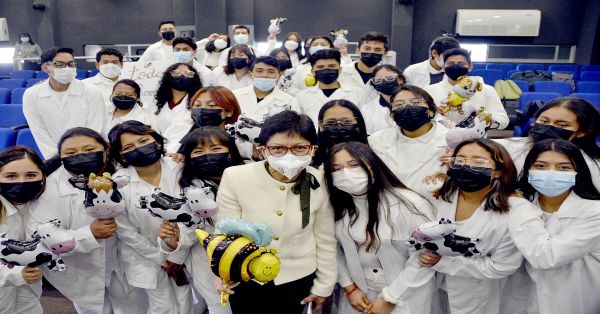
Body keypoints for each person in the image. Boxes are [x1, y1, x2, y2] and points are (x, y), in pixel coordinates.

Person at [215, 110, 337, 313]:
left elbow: (325, 239)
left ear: (313, 150)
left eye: (300, 148)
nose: (289, 155)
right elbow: (225, 233)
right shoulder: (236, 177)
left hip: (298, 278)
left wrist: (324, 286)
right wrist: (223, 273)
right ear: (263, 150)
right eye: (278, 148)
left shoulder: (320, 181)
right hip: (247, 276)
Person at [26, 127, 144, 314]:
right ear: (61, 157)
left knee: (136, 308)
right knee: (94, 309)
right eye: (71, 153)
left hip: (126, 262)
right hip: (82, 267)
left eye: (89, 150)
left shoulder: (123, 174)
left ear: (105, 150)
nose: (80, 156)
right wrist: (89, 234)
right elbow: (43, 234)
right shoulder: (49, 188)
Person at [324, 141, 435, 314]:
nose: (345, 173)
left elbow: (424, 257)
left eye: (354, 165)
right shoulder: (337, 206)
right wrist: (349, 287)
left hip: (404, 294)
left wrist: (391, 298)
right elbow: (333, 250)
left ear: (372, 165)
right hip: (360, 294)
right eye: (336, 168)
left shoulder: (410, 204)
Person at [419, 138, 522, 314]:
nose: (466, 166)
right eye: (459, 160)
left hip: (476, 292)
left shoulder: (514, 211)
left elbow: (502, 266)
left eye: (478, 162)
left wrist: (443, 262)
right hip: (432, 285)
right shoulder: (438, 195)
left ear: (498, 171)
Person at [108, 121, 192, 314]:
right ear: (121, 154)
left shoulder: (179, 167)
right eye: (129, 147)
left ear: (156, 140)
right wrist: (162, 259)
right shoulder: (118, 183)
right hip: (146, 257)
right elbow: (126, 232)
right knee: (161, 307)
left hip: (184, 250)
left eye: (143, 140)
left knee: (187, 303)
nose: (138, 148)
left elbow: (194, 213)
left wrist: (177, 255)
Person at [509, 139, 600, 314]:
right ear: (528, 170)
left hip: (573, 299)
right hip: (521, 298)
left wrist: (521, 207)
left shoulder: (594, 211)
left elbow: (546, 257)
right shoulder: (518, 201)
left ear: (578, 172)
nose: (551, 173)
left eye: (564, 167)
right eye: (541, 166)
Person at [161, 127, 244, 314]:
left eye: (216, 149)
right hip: (206, 262)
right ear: (188, 157)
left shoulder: (248, 174)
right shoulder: (187, 187)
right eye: (198, 151)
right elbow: (188, 229)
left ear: (230, 150)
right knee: (220, 307)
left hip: (248, 255)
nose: (207, 155)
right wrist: (174, 243)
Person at [494, 97, 600, 188]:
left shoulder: (591, 165)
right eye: (544, 121)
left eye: (562, 125)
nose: (548, 128)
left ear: (583, 132)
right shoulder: (505, 147)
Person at [22, 47, 106, 159]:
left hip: (88, 155)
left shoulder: (91, 91)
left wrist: (84, 153)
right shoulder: (31, 95)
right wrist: (59, 158)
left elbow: (95, 127)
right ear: (45, 67)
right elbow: (39, 132)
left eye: (71, 64)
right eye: (59, 64)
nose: (66, 68)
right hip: (54, 158)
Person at [368, 85, 449, 199]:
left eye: (416, 102)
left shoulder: (451, 141)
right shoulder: (376, 141)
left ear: (431, 111)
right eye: (399, 105)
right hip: (391, 208)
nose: (408, 107)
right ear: (392, 115)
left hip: (435, 207)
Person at [0, 146, 46, 314]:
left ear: (42, 177)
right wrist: (14, 275)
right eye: (11, 176)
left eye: (31, 175)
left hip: (29, 288)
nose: (21, 182)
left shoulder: (40, 205)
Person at [424, 48, 509, 129]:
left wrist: (479, 116)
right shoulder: (429, 91)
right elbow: (418, 120)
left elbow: (503, 120)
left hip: (474, 141)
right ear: (443, 67)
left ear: (470, 67)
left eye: (461, 64)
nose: (455, 66)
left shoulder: (487, 90)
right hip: (438, 141)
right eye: (450, 63)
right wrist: (434, 114)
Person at [295, 49, 366, 125]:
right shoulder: (301, 97)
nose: (326, 69)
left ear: (340, 69)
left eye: (331, 66)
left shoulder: (357, 93)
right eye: (320, 67)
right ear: (313, 72)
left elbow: (363, 122)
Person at [163, 85, 241, 153]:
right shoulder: (177, 130)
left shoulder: (241, 139)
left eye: (211, 105)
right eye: (197, 105)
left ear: (229, 112)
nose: (202, 109)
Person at [232, 56, 299, 120]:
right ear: (250, 74)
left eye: (271, 72)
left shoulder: (290, 101)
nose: (265, 75)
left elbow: (294, 129)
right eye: (259, 71)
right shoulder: (235, 95)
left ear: (278, 76)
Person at [314, 100, 368, 167]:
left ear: (357, 122)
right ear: (321, 125)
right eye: (331, 122)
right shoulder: (312, 150)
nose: (339, 127)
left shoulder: (373, 145)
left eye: (347, 121)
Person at [152, 62, 202, 134]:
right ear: (168, 77)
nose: (182, 76)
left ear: (194, 79)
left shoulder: (199, 103)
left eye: (188, 74)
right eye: (176, 73)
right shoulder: (158, 104)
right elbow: (154, 129)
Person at [340, 32, 390, 101]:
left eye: (377, 50)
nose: (371, 52)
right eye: (367, 49)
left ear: (385, 54)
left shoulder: (389, 78)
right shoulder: (341, 72)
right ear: (358, 50)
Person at [361, 65, 405, 134]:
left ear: (400, 79)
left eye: (390, 78)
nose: (384, 81)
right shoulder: (367, 109)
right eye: (378, 79)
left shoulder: (413, 103)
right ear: (374, 84)